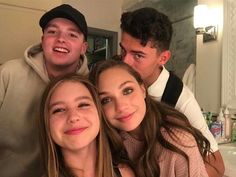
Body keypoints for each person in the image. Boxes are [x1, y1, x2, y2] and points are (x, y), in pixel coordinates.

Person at [119, 7, 224, 177]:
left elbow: (217, 166)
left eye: (138, 55)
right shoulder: (112, 79)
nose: (124, 62)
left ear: (163, 58)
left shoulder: (180, 101)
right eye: (123, 50)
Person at [0, 4, 88, 177]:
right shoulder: (9, 73)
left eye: (72, 34)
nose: (61, 39)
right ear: (42, 40)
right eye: (52, 32)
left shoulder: (91, 86)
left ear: (83, 47)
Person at [90, 59, 216, 177]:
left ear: (143, 89)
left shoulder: (178, 142)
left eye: (127, 91)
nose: (121, 107)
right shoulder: (103, 140)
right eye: (106, 100)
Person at [39, 74, 135, 177]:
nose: (73, 117)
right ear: (47, 122)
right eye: (59, 110)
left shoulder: (125, 173)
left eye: (83, 105)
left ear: (99, 113)